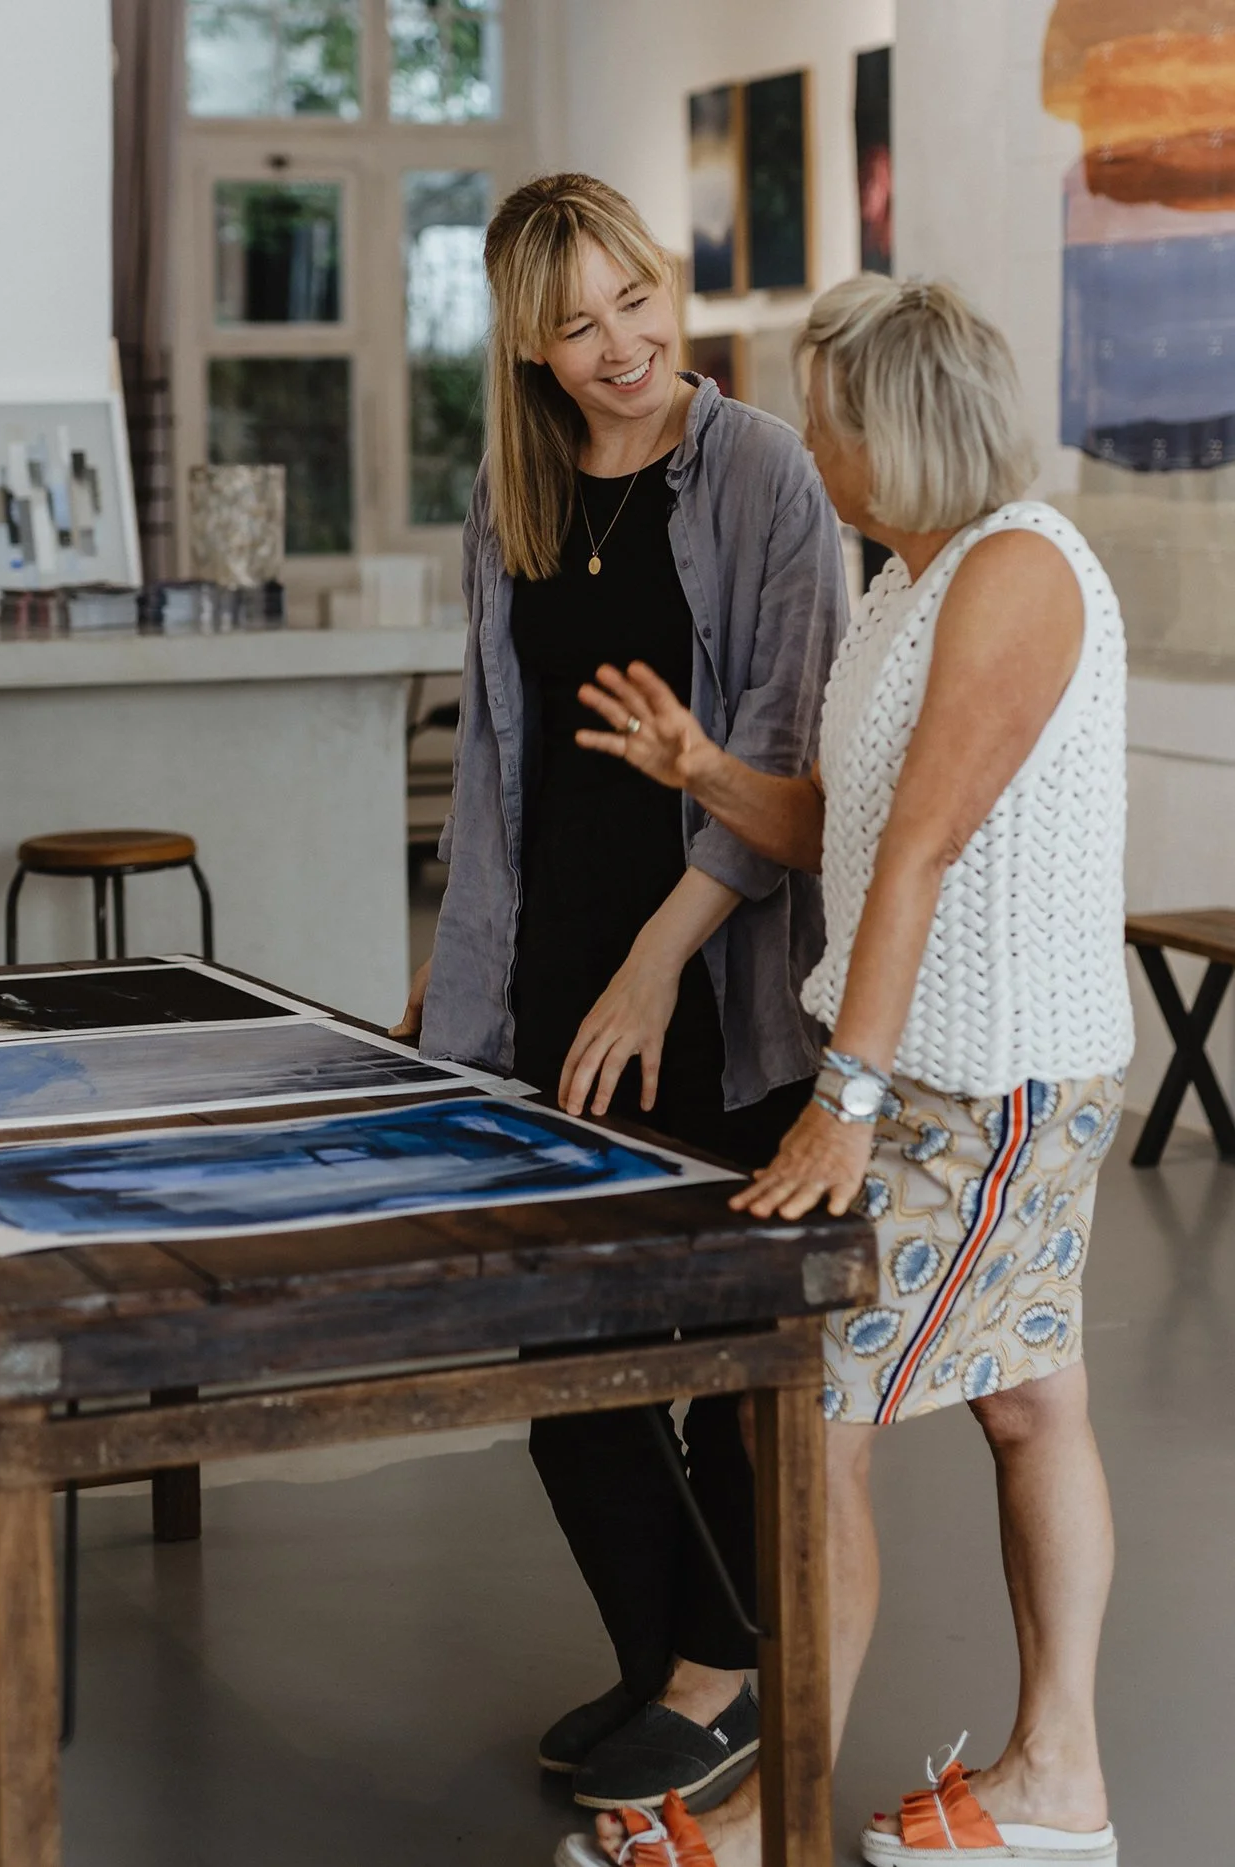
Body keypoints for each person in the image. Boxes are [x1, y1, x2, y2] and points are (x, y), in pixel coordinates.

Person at [568, 274, 1131, 1867]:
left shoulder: (1017, 570)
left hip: (987, 1088)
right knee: (1030, 1400)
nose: (808, 444)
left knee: (808, 1411)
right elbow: (849, 826)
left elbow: (922, 856)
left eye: (827, 420)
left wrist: (845, 1102)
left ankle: (770, 1818)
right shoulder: (910, 582)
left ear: (901, 428)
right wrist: (705, 769)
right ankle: (1060, 1782)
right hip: (950, 1073)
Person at [392, 172, 847, 1812]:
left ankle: (718, 1678)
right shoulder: (510, 495)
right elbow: (498, 771)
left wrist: (659, 962)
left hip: (711, 985)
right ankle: (668, 1660)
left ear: (668, 283)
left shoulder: (764, 472)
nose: (621, 346)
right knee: (564, 1360)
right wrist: (456, 973)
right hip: (548, 984)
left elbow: (787, 757)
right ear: (528, 344)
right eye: (576, 325)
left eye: (635, 300)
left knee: (719, 1351)